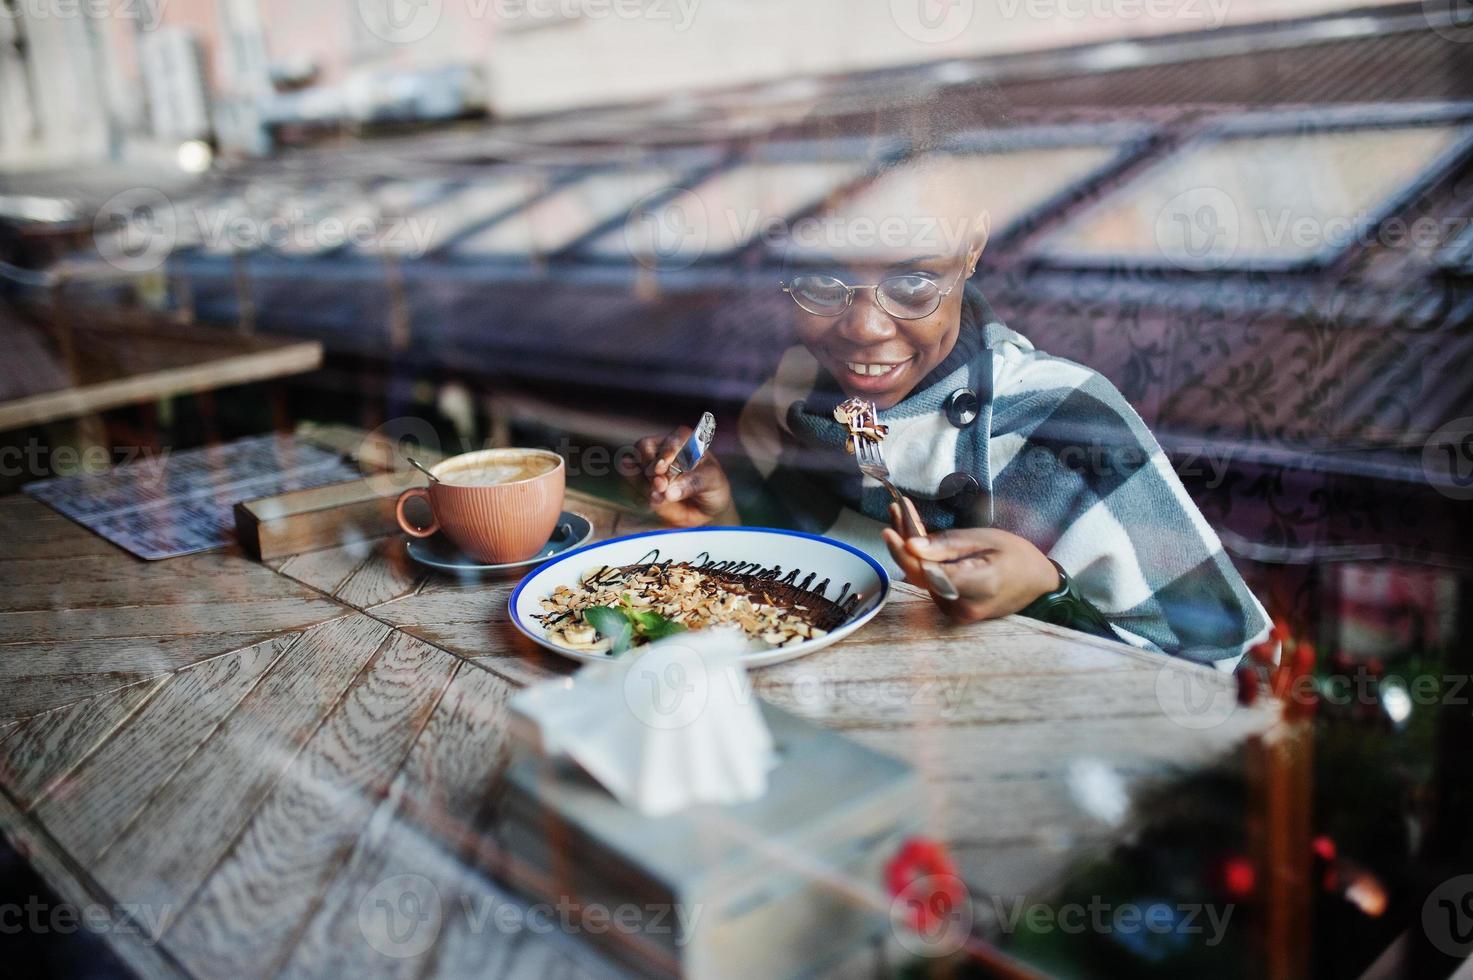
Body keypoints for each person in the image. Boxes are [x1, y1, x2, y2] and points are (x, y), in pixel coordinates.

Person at [629, 155, 1269, 665]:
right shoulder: (797, 384)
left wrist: (1049, 592)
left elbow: (1221, 668)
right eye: (824, 283)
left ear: (972, 250)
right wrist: (722, 514)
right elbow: (791, 573)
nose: (864, 329)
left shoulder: (1066, 422)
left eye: (912, 283)